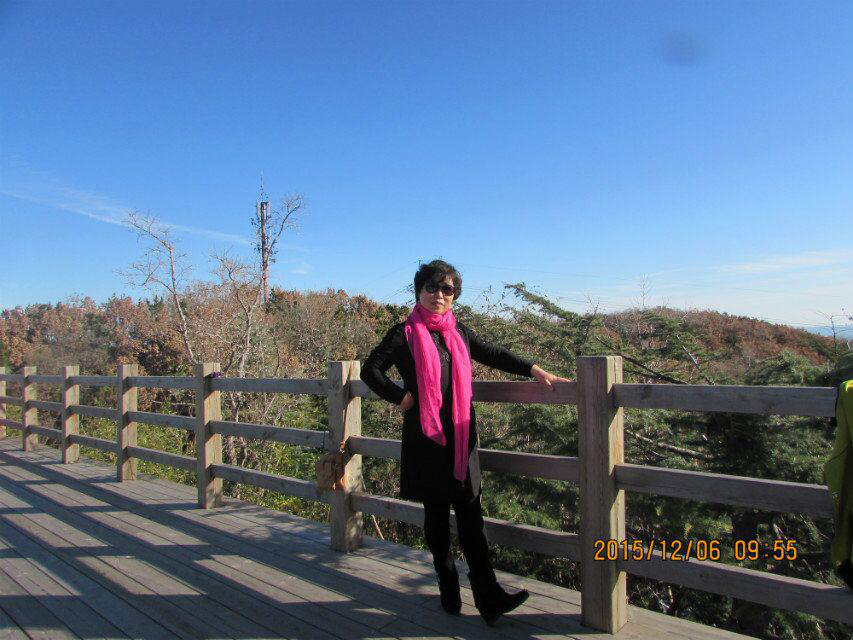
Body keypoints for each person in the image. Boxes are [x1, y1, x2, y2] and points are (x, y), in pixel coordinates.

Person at [361, 259, 571, 626]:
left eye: (447, 289)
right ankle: (448, 584)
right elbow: (370, 370)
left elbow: (494, 353)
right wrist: (400, 397)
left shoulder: (458, 331)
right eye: (432, 287)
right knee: (436, 516)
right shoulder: (403, 333)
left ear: (454, 295)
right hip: (427, 437)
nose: (439, 295)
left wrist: (534, 369)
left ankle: (488, 596)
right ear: (419, 291)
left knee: (472, 516)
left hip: (461, 436)